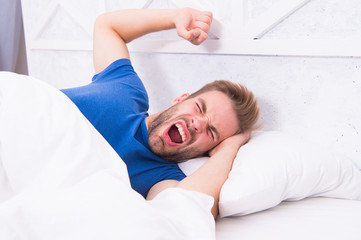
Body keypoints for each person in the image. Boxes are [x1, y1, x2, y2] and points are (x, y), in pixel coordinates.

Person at [61, 7, 260, 218]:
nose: (197, 123)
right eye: (199, 107)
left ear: (208, 151)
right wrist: (175, 17)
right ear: (180, 99)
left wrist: (228, 149)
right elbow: (107, 26)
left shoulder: (160, 177)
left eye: (211, 132)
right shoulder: (127, 90)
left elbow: (186, 212)